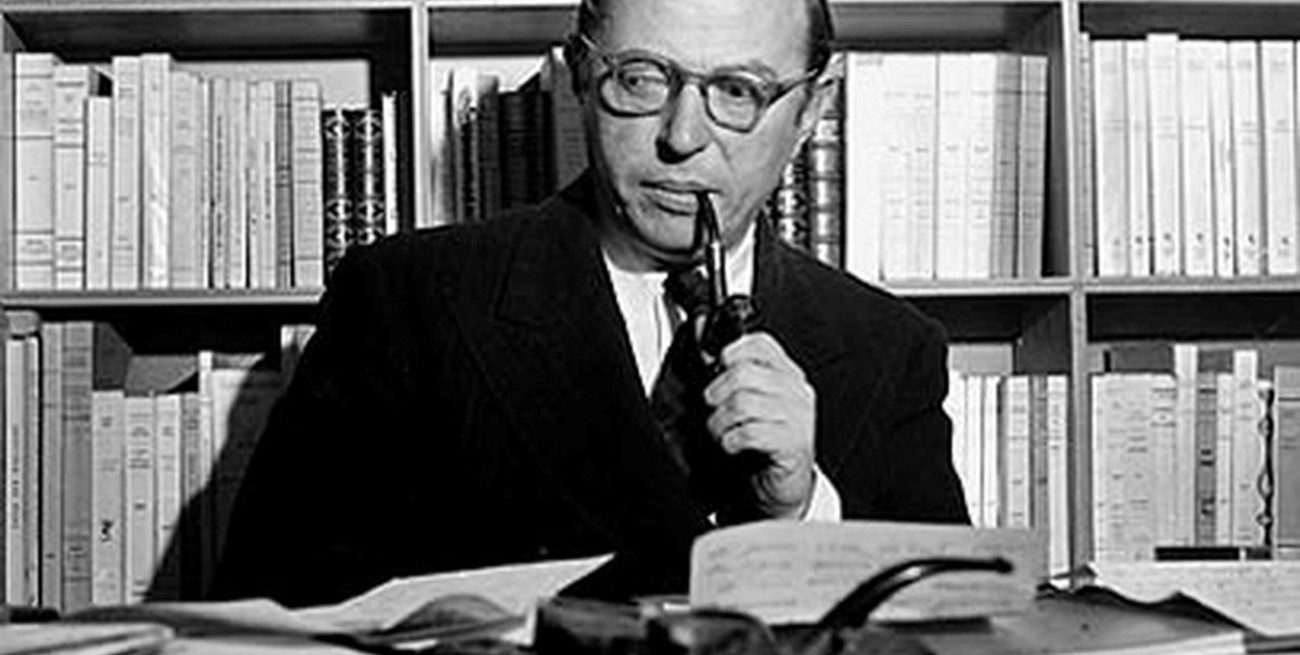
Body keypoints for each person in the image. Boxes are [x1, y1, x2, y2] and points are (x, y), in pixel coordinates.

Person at [211, 0, 968, 607]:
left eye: (738, 91)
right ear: (579, 74)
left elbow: (959, 633)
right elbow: (268, 618)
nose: (682, 137)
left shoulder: (891, 347)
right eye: (640, 79)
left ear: (810, 112)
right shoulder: (406, 303)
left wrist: (802, 516)